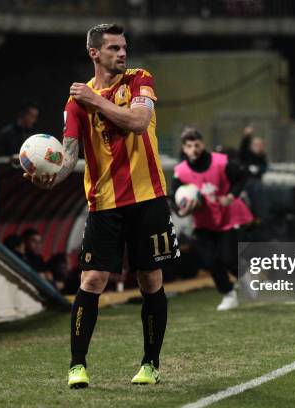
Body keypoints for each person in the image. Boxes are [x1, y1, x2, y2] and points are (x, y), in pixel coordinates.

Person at [24, 23, 178, 388]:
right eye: (113, 48)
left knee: (150, 279)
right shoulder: (75, 103)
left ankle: (150, 363)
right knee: (92, 279)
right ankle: (77, 365)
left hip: (148, 197)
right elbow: (70, 156)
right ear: (95, 53)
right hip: (104, 203)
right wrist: (50, 178)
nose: (122, 53)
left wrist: (97, 101)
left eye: (123, 47)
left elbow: (139, 123)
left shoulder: (140, 79)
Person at [172, 128, 253, 311]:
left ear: (203, 144)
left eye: (197, 144)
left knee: (228, 258)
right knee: (208, 261)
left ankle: (244, 273)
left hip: (226, 217)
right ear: (184, 149)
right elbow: (174, 198)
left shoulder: (220, 162)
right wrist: (183, 209)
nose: (194, 149)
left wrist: (231, 197)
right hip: (203, 222)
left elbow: (242, 177)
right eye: (189, 146)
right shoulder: (180, 171)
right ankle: (228, 294)